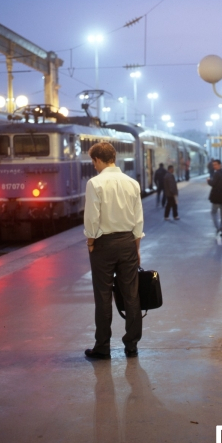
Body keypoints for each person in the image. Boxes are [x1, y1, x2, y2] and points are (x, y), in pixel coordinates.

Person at [83, 141, 144, 359]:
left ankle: (103, 347)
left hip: (103, 244)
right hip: (128, 242)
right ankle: (132, 345)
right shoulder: (132, 183)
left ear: (98, 159)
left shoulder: (95, 183)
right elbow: (138, 221)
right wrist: (136, 249)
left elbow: (92, 218)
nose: (94, 166)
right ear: (114, 158)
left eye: (93, 162)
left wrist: (91, 243)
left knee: (103, 296)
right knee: (131, 295)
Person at [207, 159, 222, 237]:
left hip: (216, 198)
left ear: (220, 165)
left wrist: (209, 181)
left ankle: (218, 227)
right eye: (213, 165)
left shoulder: (216, 174)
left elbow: (213, 184)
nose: (214, 166)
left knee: (213, 212)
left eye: (215, 164)